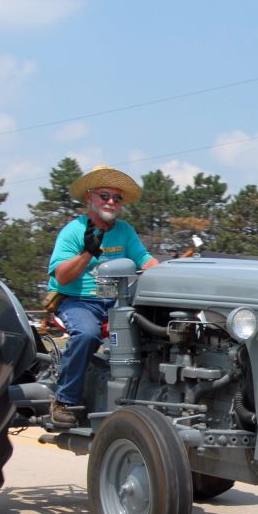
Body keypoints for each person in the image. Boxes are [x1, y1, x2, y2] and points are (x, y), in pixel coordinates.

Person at [47, 165, 160, 428]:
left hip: (118, 301)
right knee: (87, 334)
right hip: (78, 301)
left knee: (158, 328)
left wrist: (169, 270)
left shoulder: (124, 231)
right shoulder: (73, 231)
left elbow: (144, 260)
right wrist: (87, 253)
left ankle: (143, 396)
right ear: (89, 197)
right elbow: (62, 277)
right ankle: (63, 401)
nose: (111, 202)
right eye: (104, 195)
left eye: (116, 198)